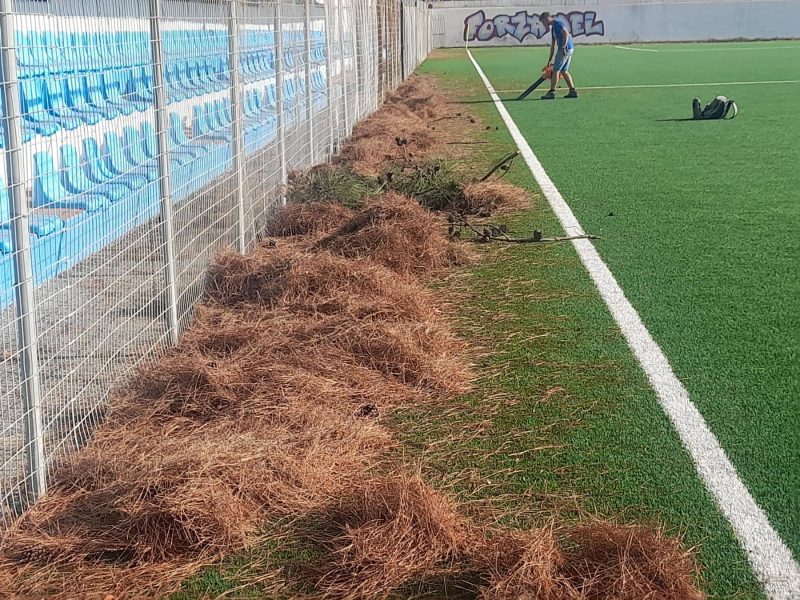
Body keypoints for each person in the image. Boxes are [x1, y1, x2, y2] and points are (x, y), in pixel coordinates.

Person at [540, 12, 578, 100]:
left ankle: (552, 92)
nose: (543, 24)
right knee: (564, 71)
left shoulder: (557, 23)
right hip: (569, 48)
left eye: (543, 22)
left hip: (565, 48)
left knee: (556, 70)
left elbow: (565, 33)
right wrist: (549, 60)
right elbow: (553, 46)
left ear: (547, 19)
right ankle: (572, 91)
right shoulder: (553, 28)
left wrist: (564, 46)